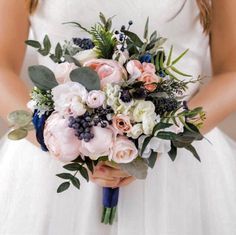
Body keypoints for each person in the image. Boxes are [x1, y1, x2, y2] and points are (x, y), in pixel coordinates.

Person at [0, 0, 236, 234]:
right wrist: (52, 137)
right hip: (52, 168)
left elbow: (232, 72)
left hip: (174, 168)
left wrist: (163, 138)